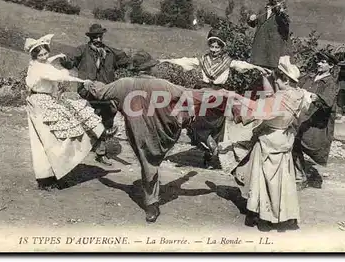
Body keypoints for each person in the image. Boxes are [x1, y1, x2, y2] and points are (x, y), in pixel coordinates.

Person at [84, 51, 246, 223]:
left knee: (148, 163)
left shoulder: (123, 83)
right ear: (151, 68)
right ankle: (151, 204)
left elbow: (100, 92)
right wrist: (223, 94)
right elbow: (193, 94)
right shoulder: (164, 85)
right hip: (161, 130)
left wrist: (89, 83)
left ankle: (151, 202)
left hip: (138, 132)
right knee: (151, 163)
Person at [159, 28, 270, 166]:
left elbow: (243, 65)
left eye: (217, 47)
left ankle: (211, 150)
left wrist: (258, 68)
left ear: (222, 47)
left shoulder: (228, 62)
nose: (214, 49)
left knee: (213, 125)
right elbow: (185, 61)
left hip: (218, 96)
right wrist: (166, 60)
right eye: (212, 46)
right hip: (203, 91)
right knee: (195, 122)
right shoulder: (203, 60)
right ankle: (209, 149)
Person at [231, 56, 315, 232]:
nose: (275, 81)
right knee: (284, 180)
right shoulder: (299, 95)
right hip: (285, 138)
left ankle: (265, 217)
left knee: (264, 179)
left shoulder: (279, 99)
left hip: (270, 140)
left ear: (284, 80)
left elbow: (254, 112)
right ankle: (286, 214)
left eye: (277, 78)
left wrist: (235, 100)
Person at [24, 34, 105, 191]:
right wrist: (83, 81)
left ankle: (51, 175)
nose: (44, 57)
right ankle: (46, 178)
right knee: (48, 140)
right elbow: (62, 77)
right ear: (35, 56)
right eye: (40, 54)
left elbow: (46, 62)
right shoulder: (41, 69)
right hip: (41, 104)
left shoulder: (35, 64)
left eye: (45, 53)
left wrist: (55, 57)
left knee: (51, 139)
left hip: (41, 101)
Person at [60, 23, 130, 165]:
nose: (97, 39)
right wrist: (64, 61)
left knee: (107, 120)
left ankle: (101, 152)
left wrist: (132, 59)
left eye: (99, 36)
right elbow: (70, 62)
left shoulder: (110, 53)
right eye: (94, 37)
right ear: (90, 37)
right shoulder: (82, 50)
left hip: (105, 92)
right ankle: (75, 153)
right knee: (86, 121)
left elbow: (126, 61)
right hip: (87, 92)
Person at [292, 49, 339, 190]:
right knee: (292, 141)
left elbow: (328, 101)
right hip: (304, 118)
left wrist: (315, 97)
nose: (319, 64)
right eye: (318, 61)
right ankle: (296, 175)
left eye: (323, 62)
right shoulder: (310, 78)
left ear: (330, 66)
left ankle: (300, 178)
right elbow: (296, 86)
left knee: (296, 142)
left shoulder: (330, 83)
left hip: (317, 124)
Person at [247, 0, 291, 95]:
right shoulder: (263, 9)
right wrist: (251, 19)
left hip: (274, 49)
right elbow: (254, 24)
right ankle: (268, 100)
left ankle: (277, 99)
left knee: (276, 75)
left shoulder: (282, 10)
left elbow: (286, 24)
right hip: (262, 48)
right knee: (264, 73)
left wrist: (281, 12)